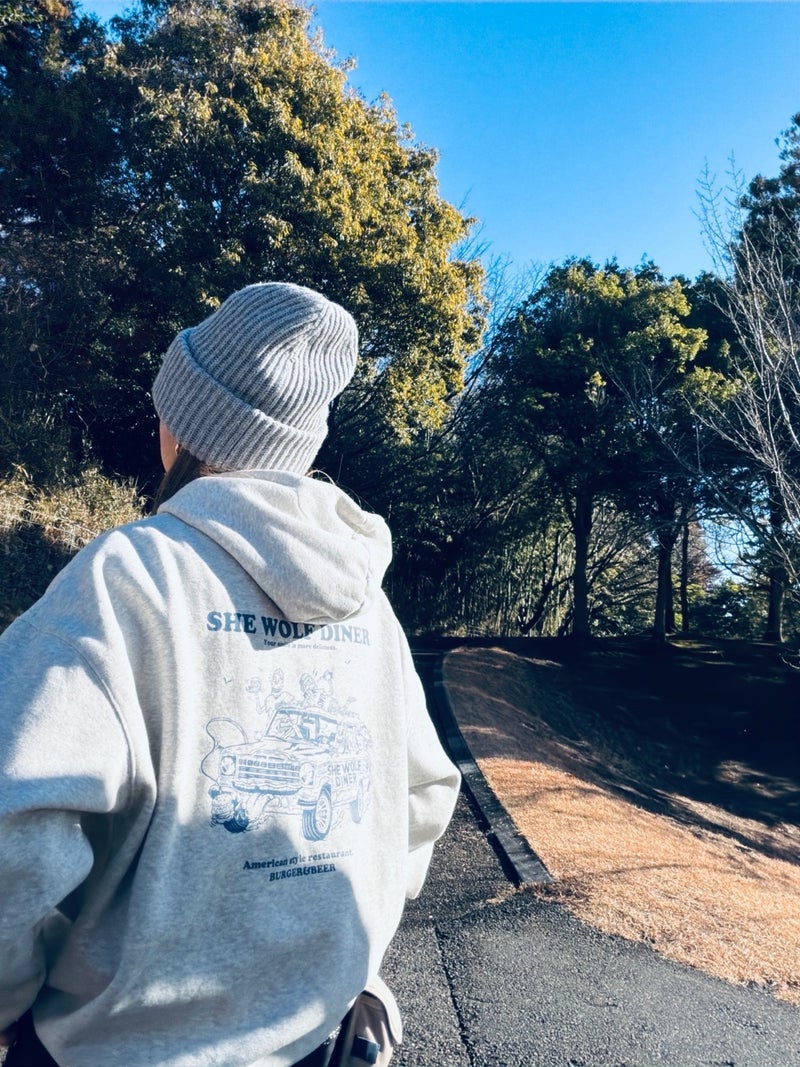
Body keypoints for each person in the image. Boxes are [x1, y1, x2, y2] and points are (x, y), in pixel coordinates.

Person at [0, 282, 461, 1067]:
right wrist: (337, 954)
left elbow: (15, 823)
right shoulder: (369, 608)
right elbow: (422, 796)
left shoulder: (127, 579)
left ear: (185, 423)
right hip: (312, 1038)